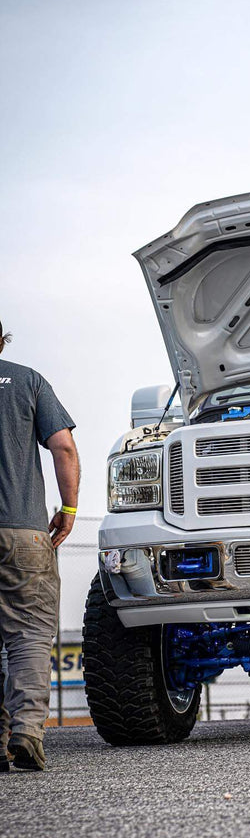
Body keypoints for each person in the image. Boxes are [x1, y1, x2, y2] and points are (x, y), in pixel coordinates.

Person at [0, 320, 79, 772]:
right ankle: (26, 731)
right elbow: (63, 448)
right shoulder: (27, 380)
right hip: (22, 531)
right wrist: (68, 510)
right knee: (29, 633)